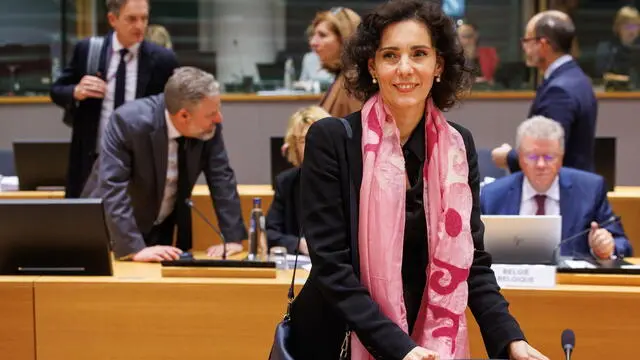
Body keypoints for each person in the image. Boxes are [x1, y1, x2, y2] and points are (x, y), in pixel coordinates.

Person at [288, 1, 548, 359]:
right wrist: (401, 349)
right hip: (339, 341)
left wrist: (510, 339)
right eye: (390, 55)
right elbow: (332, 266)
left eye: (419, 53)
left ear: (438, 66)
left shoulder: (459, 146)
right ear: (372, 67)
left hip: (427, 342)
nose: (405, 68)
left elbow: (471, 261)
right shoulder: (332, 139)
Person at [82, 67, 247, 262]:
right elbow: (112, 186)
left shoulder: (208, 128)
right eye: (212, 113)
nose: (219, 118)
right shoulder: (129, 122)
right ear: (184, 116)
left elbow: (222, 178)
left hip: (159, 229)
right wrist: (133, 248)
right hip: (112, 232)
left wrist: (233, 237)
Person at [50, 0, 178, 198]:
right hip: (93, 158)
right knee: (86, 223)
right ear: (112, 19)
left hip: (140, 164)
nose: (139, 26)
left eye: (144, 18)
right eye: (131, 19)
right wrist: (76, 90)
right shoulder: (88, 51)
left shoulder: (162, 60)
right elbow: (57, 90)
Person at [481, 116, 632, 259]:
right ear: (519, 156)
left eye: (549, 157)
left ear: (561, 156)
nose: (541, 165)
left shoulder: (590, 190)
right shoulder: (493, 195)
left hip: (569, 283)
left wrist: (606, 247)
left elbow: (622, 244)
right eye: (532, 157)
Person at [491, 10, 596, 174]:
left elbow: (546, 152)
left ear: (543, 44)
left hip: (562, 192)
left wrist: (508, 157)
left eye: (527, 40)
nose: (524, 48)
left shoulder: (559, 90)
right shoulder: (577, 78)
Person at [266, 106, 330, 255]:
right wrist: (299, 244)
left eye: (316, 138)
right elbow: (269, 233)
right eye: (303, 140)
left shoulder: (348, 180)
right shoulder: (286, 183)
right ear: (295, 146)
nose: (310, 145)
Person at [309, 7, 363, 118]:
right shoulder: (343, 77)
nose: (313, 42)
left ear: (345, 39)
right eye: (313, 35)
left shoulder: (353, 82)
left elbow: (359, 132)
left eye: (322, 35)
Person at [595, 6, 640, 90]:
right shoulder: (606, 48)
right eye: (627, 26)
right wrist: (627, 80)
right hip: (615, 94)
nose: (631, 30)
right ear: (618, 27)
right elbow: (602, 75)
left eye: (635, 26)